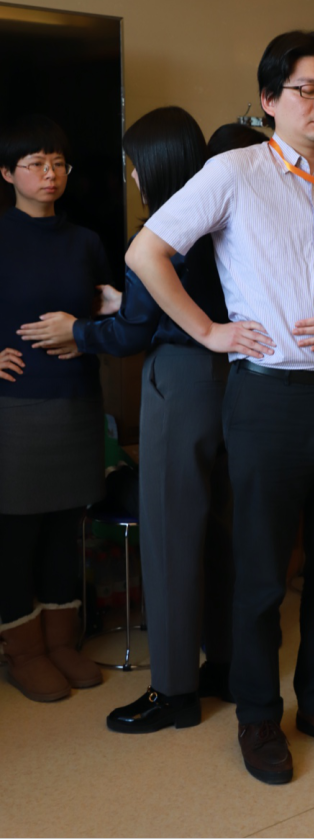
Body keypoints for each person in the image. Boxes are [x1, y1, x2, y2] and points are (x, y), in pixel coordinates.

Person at [126, 31, 314, 784]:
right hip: (266, 398)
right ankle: (258, 714)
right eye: (305, 90)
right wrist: (208, 331)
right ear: (269, 100)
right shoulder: (235, 172)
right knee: (260, 572)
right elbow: (146, 253)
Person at [17, 106, 235, 732]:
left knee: (169, 538)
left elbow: (135, 332)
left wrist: (80, 331)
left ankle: (173, 691)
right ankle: (225, 667)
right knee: (225, 535)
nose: (132, 176)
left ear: (156, 166)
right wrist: (128, 303)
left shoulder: (164, 228)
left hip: (181, 383)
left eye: (135, 165)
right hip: (235, 381)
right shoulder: (226, 216)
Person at [0, 114, 108, 701]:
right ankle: (24, 650)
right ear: (7, 173)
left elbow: (104, 314)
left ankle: (63, 641)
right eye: (36, 163)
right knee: (18, 530)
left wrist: (88, 333)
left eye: (59, 163)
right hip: (15, 407)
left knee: (68, 526)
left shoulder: (85, 241)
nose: (50, 173)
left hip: (76, 399)